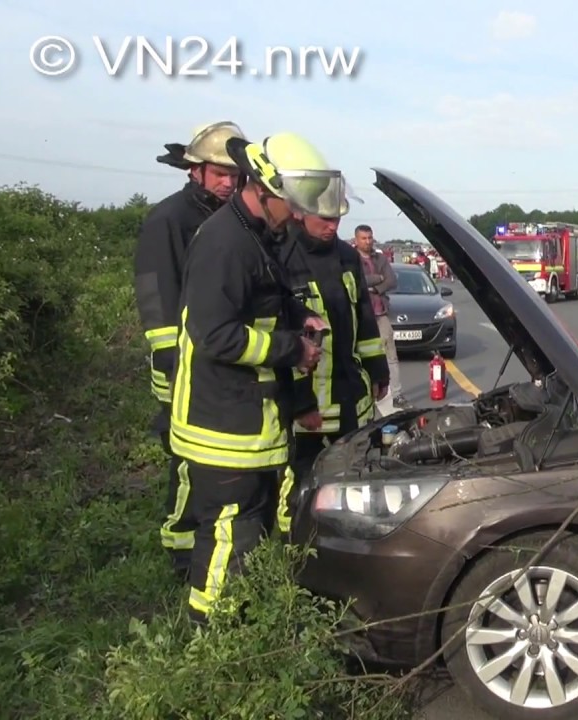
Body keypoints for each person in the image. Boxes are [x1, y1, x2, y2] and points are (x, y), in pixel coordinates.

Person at [170, 131, 342, 623]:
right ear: (268, 190)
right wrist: (294, 348)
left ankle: (240, 628)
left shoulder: (255, 236)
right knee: (229, 538)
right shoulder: (226, 243)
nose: (300, 214)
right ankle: (212, 644)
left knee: (249, 537)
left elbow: (260, 303)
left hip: (249, 424)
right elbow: (216, 335)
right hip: (223, 430)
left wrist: (296, 319)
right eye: (296, 203)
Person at [133, 120, 246, 580]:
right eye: (218, 173)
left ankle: (215, 542)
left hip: (220, 361)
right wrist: (170, 362)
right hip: (181, 364)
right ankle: (181, 552)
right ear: (194, 171)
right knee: (186, 461)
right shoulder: (170, 220)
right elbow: (156, 295)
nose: (228, 181)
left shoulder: (233, 219)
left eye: (234, 174)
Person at [274, 188, 389, 536]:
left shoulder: (345, 255)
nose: (332, 226)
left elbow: (363, 316)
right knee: (302, 486)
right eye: (324, 218)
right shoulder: (281, 255)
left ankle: (346, 545)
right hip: (307, 409)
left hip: (351, 396)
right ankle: (293, 550)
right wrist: (300, 401)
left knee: (354, 481)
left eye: (337, 219)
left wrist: (377, 367)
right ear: (300, 214)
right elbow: (281, 335)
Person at [353, 224, 407, 411]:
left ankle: (397, 394)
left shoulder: (380, 258)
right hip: (359, 313)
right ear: (356, 240)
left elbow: (391, 280)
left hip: (380, 312)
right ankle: (365, 393)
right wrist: (377, 278)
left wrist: (374, 287)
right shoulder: (350, 258)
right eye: (363, 238)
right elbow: (357, 280)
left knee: (391, 355)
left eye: (370, 238)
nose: (367, 241)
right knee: (359, 355)